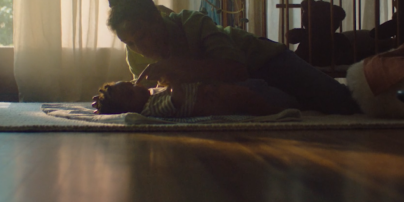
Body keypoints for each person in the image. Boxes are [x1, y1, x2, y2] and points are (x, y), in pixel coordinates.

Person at [104, 0, 361, 115]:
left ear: (156, 19)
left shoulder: (192, 23)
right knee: (285, 104)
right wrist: (114, 100)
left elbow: (235, 70)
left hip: (263, 60)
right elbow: (148, 100)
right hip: (240, 86)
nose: (138, 47)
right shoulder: (135, 55)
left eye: (141, 35)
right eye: (129, 43)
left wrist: (177, 66)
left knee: (341, 102)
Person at [92, 80, 291, 117]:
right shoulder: (150, 110)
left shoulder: (150, 97)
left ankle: (273, 102)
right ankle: (273, 114)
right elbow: (177, 99)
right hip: (213, 102)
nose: (136, 87)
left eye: (130, 84)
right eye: (129, 93)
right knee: (245, 97)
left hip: (209, 91)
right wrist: (176, 81)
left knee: (250, 91)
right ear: (130, 111)